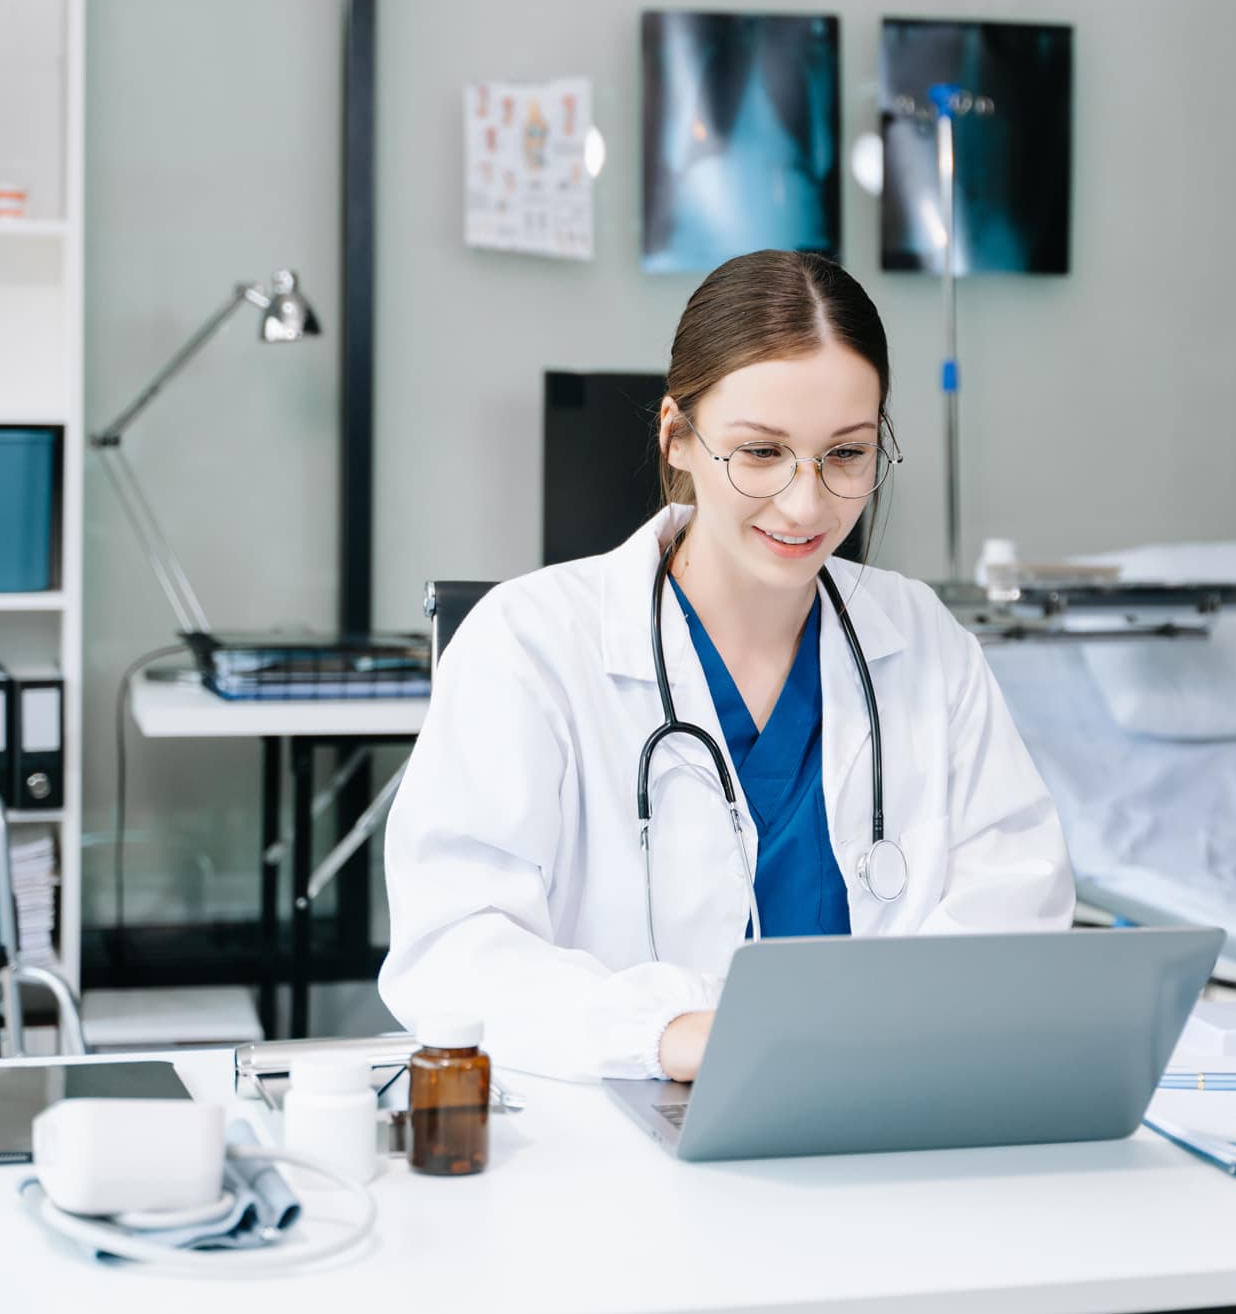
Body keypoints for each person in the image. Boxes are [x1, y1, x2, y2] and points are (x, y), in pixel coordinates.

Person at [380, 249, 1072, 1083]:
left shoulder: (923, 640)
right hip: (615, 1146)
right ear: (677, 439)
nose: (807, 503)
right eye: (760, 452)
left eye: (846, 455)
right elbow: (452, 948)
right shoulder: (529, 645)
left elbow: (1020, 908)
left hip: (886, 1126)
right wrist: (669, 1034)